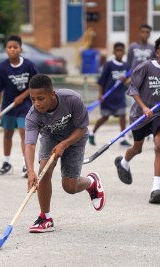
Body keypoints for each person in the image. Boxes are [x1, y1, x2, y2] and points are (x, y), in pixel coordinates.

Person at [25, 74, 105, 233]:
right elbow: (30, 145)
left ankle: (91, 182)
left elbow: (82, 128)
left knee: (70, 187)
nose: (36, 103)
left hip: (75, 136)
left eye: (40, 98)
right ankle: (45, 218)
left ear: (52, 94)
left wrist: (65, 143)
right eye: (33, 99)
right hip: (50, 137)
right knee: (43, 171)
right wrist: (30, 171)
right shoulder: (33, 116)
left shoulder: (71, 99)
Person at [114, 33, 160, 204]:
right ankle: (123, 162)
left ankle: (156, 189)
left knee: (159, 145)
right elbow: (132, 89)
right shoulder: (145, 66)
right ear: (157, 52)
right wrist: (144, 107)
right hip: (140, 114)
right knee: (137, 148)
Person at [0, 35, 38, 177]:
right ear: (6, 50)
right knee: (7, 134)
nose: (12, 50)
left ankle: (26, 164)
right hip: (8, 106)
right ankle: (6, 162)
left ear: (20, 49)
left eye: (15, 47)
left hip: (25, 106)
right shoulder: (1, 68)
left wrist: (22, 96)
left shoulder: (28, 65)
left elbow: (36, 84)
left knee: (23, 132)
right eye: (9, 47)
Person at [88, 42, 130, 146]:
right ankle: (92, 133)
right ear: (114, 52)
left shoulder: (126, 66)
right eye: (118, 50)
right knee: (105, 117)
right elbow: (101, 81)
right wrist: (100, 94)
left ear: (124, 52)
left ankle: (122, 138)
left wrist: (125, 80)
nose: (119, 53)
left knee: (122, 115)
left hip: (119, 97)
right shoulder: (108, 65)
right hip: (108, 97)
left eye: (121, 51)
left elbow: (128, 81)